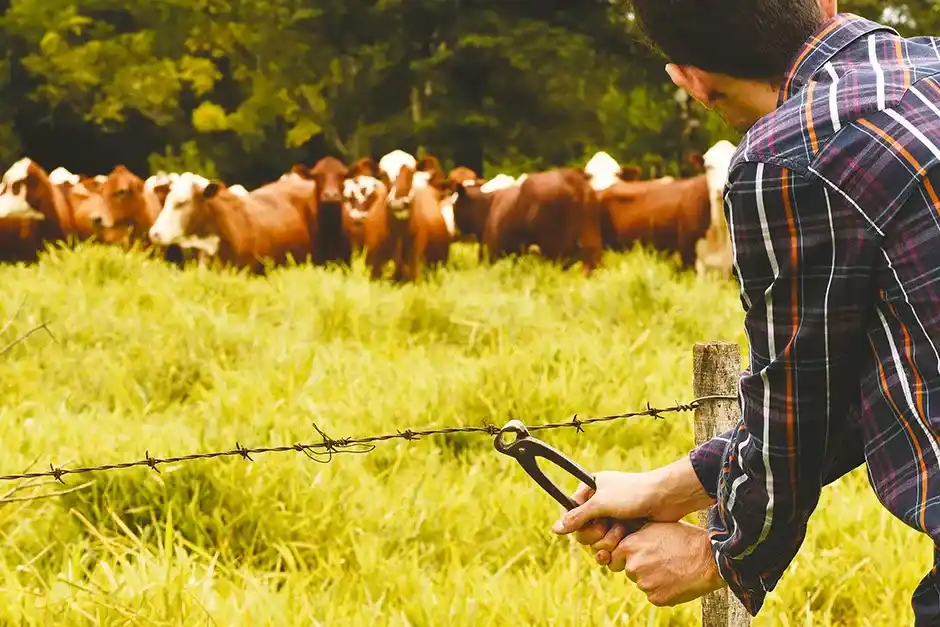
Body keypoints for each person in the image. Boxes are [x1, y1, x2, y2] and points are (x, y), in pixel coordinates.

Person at [551, 1, 940, 623]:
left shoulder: (788, 156)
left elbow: (800, 396)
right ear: (827, 3)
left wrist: (726, 554)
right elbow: (884, 374)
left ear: (691, 81)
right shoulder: (932, 67)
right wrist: (670, 485)